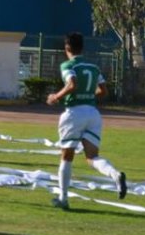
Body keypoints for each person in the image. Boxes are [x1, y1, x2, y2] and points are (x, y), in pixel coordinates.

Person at [46, 32, 127, 210]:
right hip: (92, 113)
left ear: (67, 48)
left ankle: (63, 198)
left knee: (67, 156)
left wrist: (56, 96)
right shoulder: (93, 67)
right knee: (92, 157)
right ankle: (115, 174)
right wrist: (88, 95)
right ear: (82, 47)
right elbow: (104, 91)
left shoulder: (68, 65)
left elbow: (72, 83)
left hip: (74, 113)